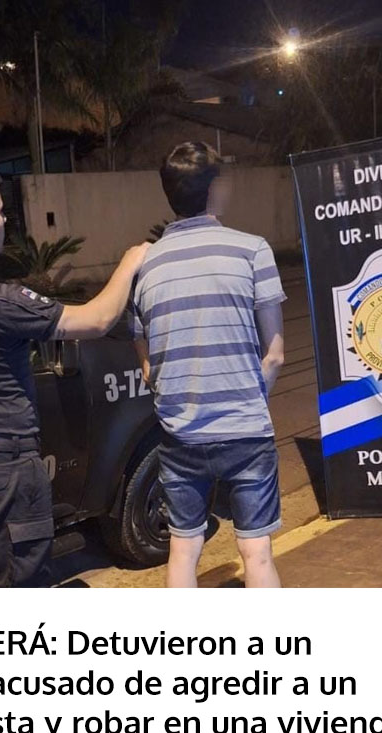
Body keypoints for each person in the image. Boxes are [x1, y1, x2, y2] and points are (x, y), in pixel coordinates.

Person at [0, 161, 149, 588]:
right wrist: (129, 265)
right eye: (0, 213)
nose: (5, 222)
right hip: (2, 468)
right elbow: (95, 320)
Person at [131, 142, 286, 589]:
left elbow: (146, 363)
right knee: (256, 553)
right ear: (215, 189)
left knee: (183, 549)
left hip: (180, 435)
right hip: (246, 431)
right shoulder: (252, 251)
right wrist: (246, 401)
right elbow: (275, 354)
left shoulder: (144, 266)